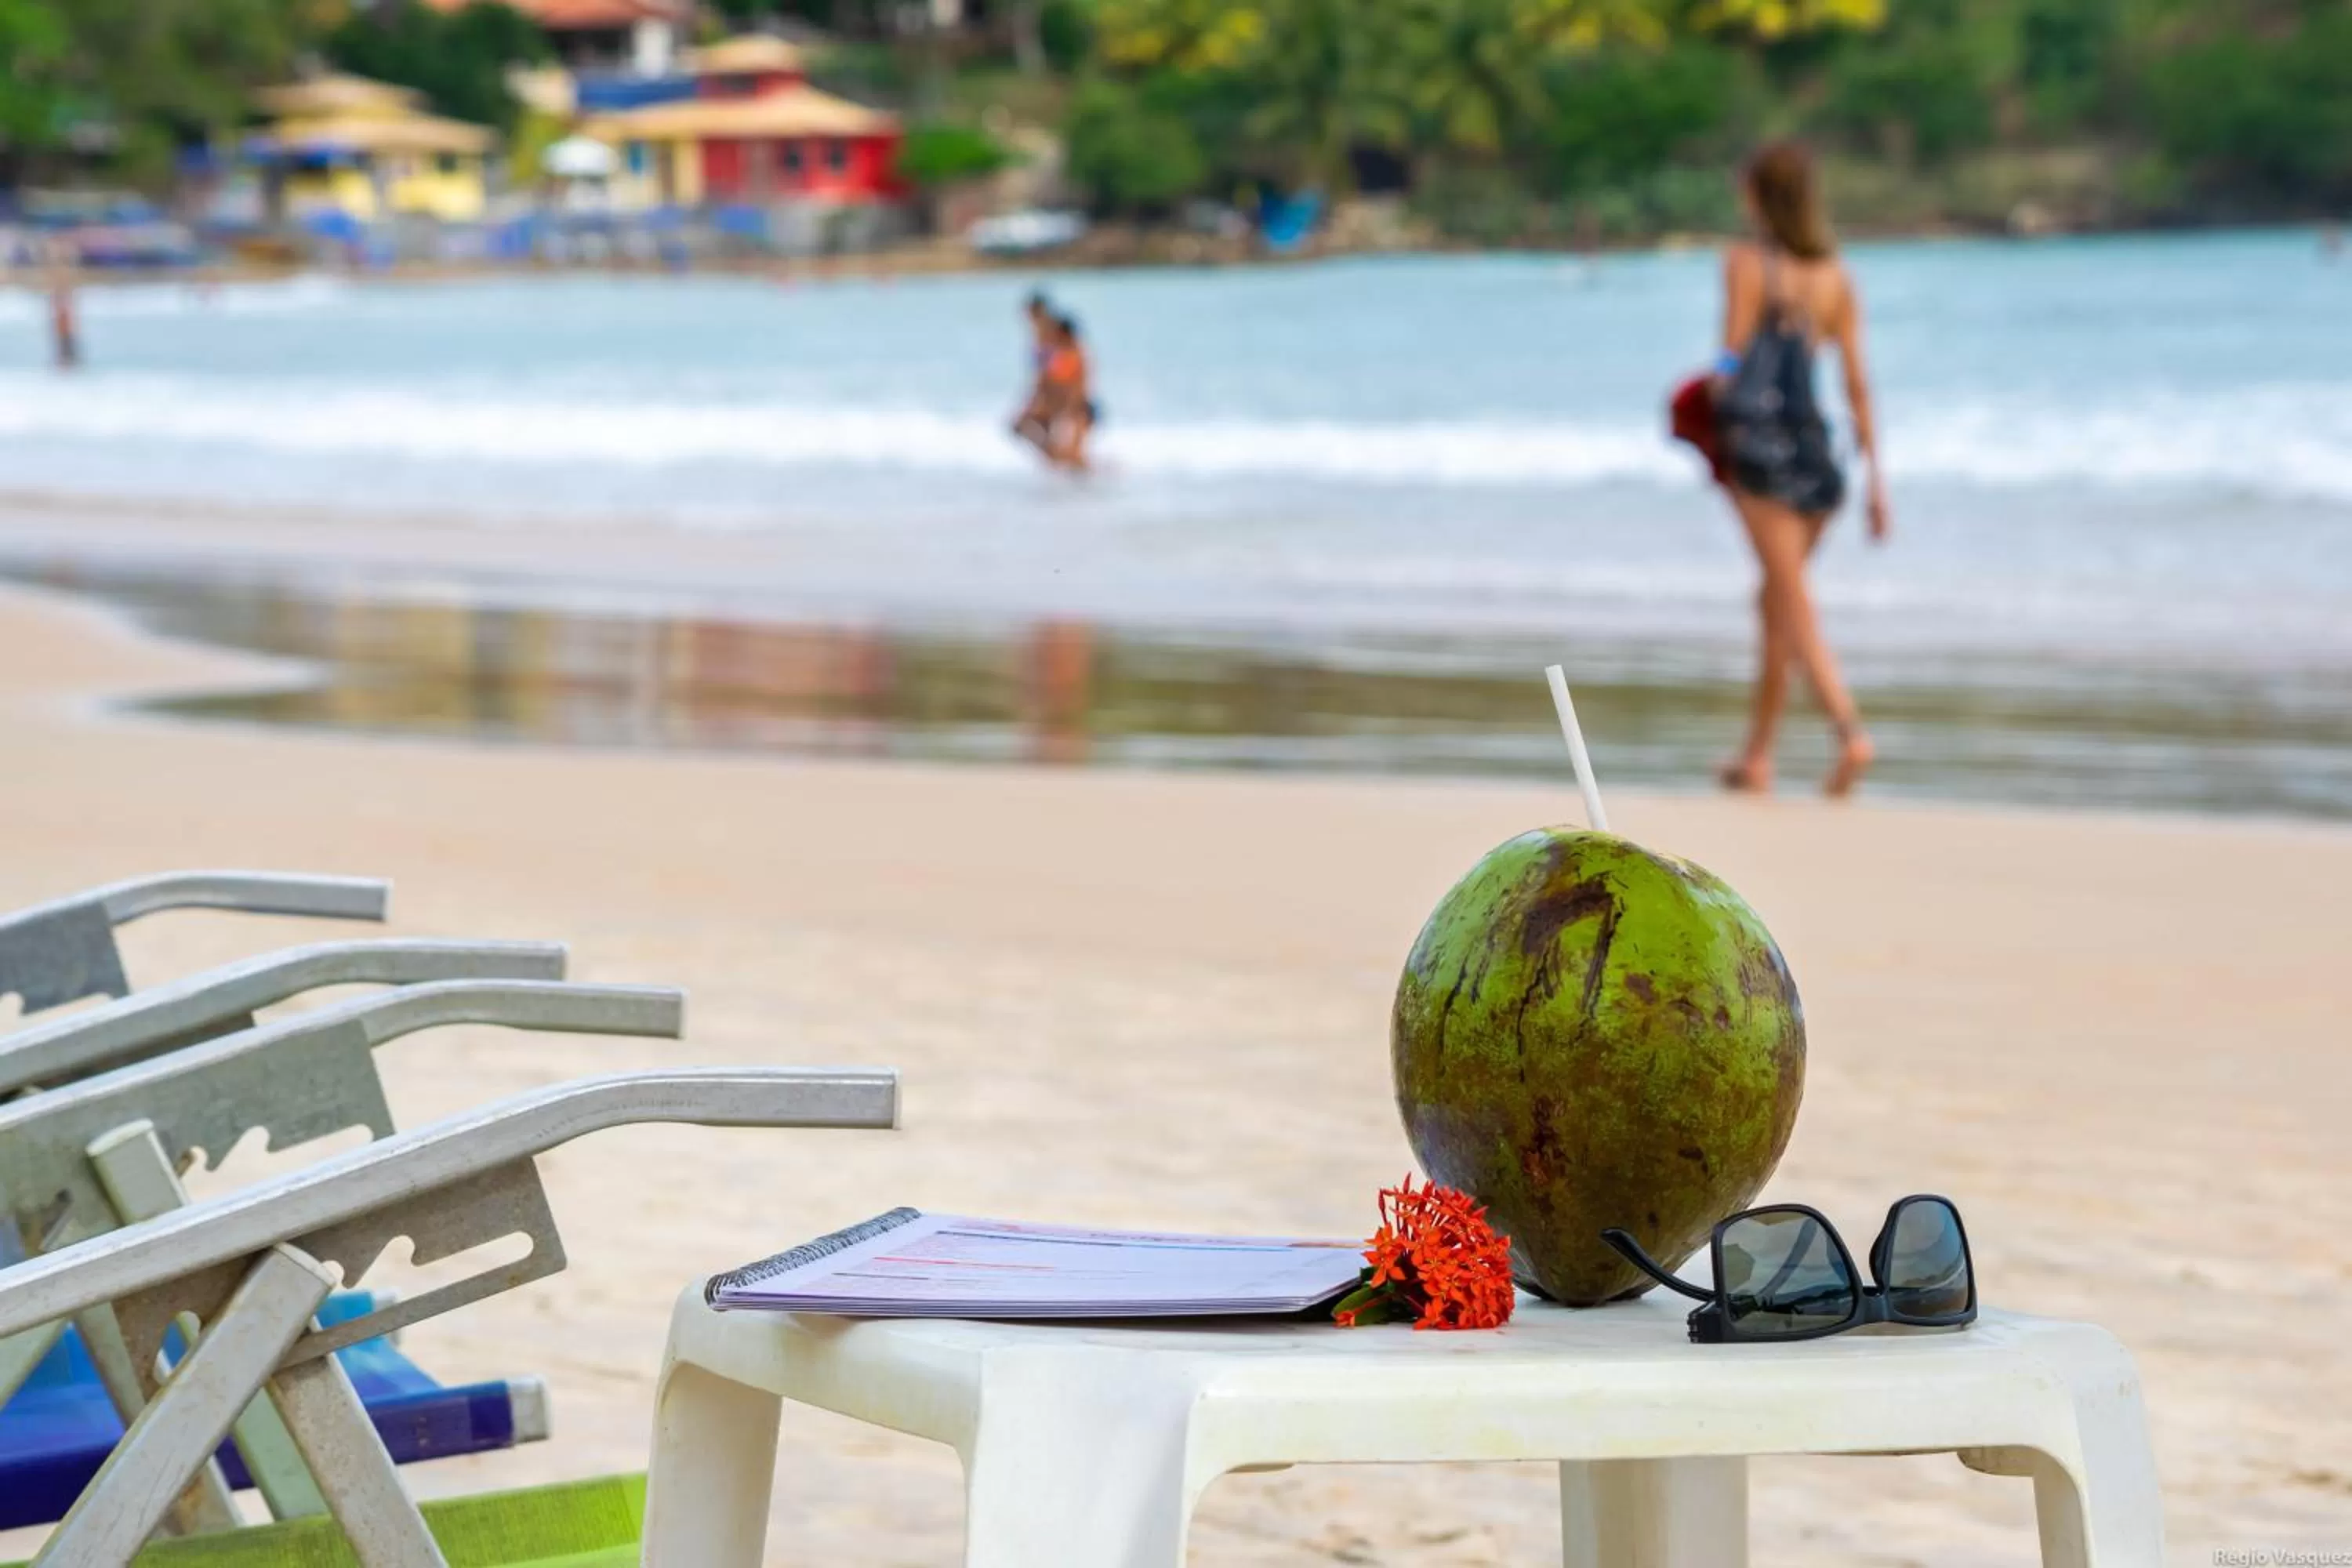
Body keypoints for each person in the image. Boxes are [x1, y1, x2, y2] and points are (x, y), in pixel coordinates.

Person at [1711, 141, 1886, 798]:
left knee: (1790, 601)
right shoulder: (1837, 277)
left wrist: (1709, 388)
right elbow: (1857, 384)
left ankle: (1849, 732)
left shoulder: (1746, 263)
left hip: (1763, 453)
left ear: (1759, 194)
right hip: (1818, 456)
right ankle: (1756, 757)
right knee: (1775, 602)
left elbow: (1731, 354)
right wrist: (1876, 482)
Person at [1038, 313, 1095, 474]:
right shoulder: (1064, 354)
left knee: (1074, 455)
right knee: (1068, 455)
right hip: (1068, 407)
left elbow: (1079, 387)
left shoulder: (1075, 355)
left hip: (1078, 407)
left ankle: (1089, 474)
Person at [1010, 290, 1058, 454]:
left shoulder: (1049, 336)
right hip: (1047, 394)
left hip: (1051, 395)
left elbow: (1047, 373)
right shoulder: (1043, 334)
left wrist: (1034, 401)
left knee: (1021, 426)